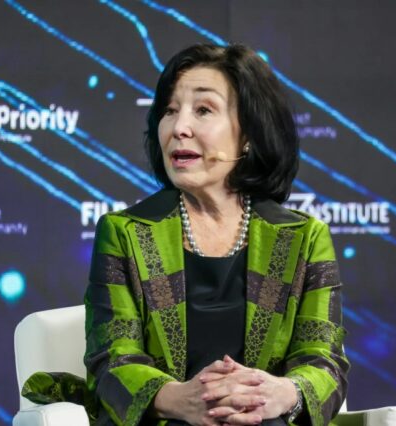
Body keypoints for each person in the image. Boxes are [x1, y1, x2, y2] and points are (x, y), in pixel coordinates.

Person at [84, 43, 349, 426]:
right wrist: (180, 400)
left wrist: (276, 394)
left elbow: (325, 361)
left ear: (248, 134)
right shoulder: (124, 233)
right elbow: (112, 359)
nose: (179, 128)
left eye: (203, 110)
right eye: (169, 111)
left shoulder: (303, 238)